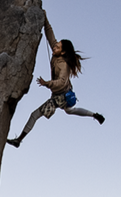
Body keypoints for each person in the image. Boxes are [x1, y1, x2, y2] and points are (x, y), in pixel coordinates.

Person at [6, 11, 105, 146]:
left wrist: (47, 83)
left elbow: (61, 82)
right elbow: (49, 33)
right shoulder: (57, 51)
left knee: (35, 114)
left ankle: (18, 140)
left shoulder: (63, 65)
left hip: (61, 96)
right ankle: (94, 115)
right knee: (70, 111)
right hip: (65, 92)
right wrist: (44, 17)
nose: (54, 46)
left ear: (62, 52)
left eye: (57, 46)